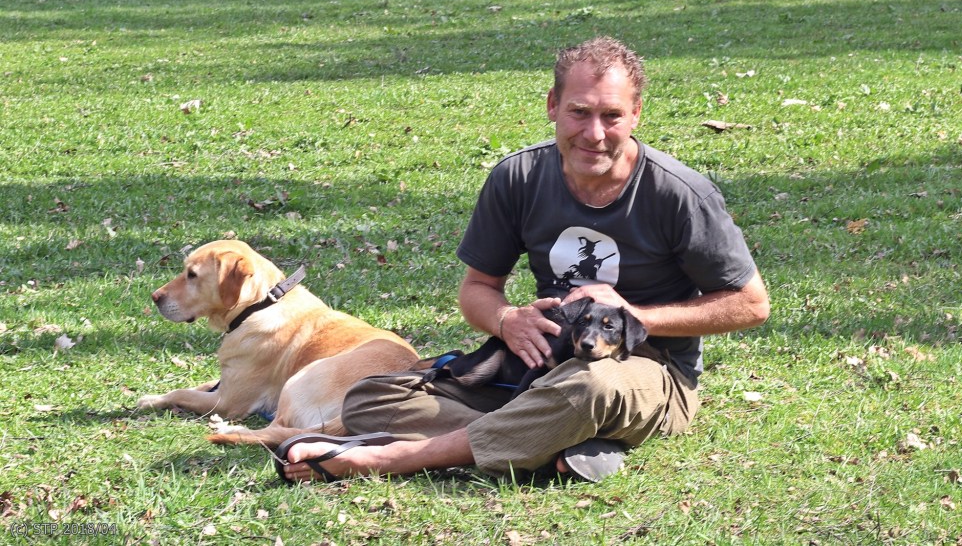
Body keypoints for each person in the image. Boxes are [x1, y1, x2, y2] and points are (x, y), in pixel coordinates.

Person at [281, 36, 769, 483]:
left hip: (645, 369)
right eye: (579, 112)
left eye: (612, 116)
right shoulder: (517, 177)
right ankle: (548, 439)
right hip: (540, 365)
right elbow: (477, 290)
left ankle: (392, 458)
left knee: (590, 389)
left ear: (637, 114)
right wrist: (506, 318)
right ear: (553, 106)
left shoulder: (679, 194)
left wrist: (637, 316)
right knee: (371, 398)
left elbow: (751, 305)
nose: (595, 134)